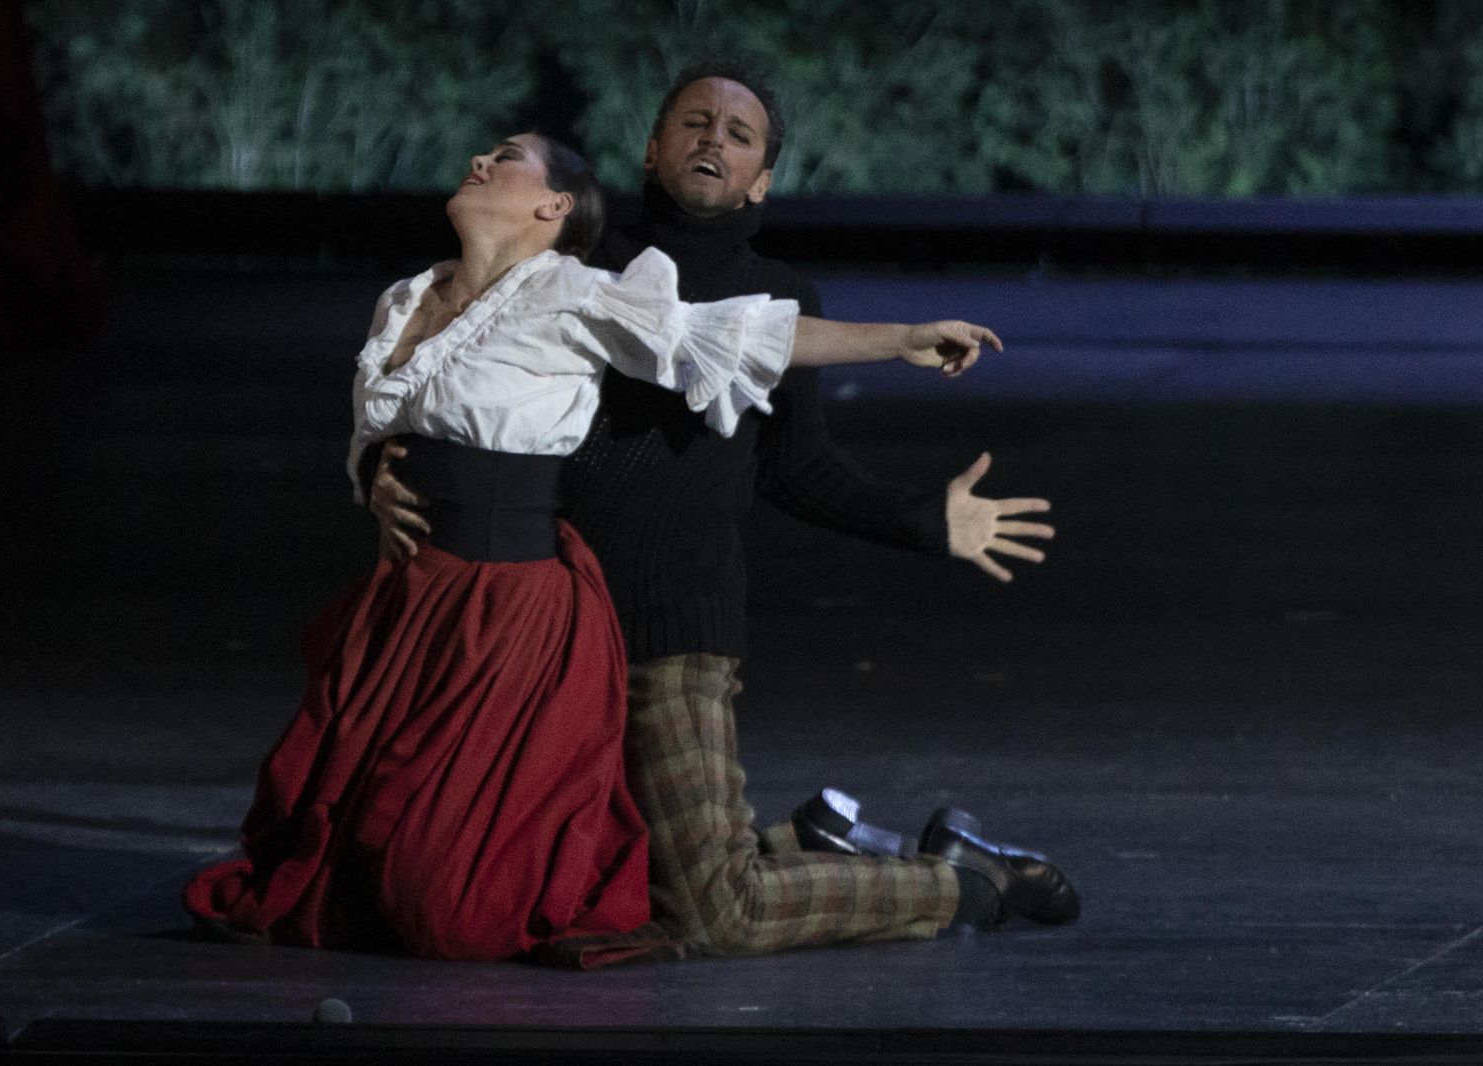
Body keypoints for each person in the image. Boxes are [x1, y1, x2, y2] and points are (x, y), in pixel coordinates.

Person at [185, 131, 1004, 964]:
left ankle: (898, 872)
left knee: (452, 908)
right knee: (344, 867)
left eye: (504, 158)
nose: (478, 162)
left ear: (556, 205)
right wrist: (376, 475)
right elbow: (376, 429)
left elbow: (721, 337)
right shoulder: (404, 299)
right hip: (410, 606)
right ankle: (802, 838)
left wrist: (897, 337)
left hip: (506, 615)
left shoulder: (571, 294)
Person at [366, 66, 1078, 959]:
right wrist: (388, 473)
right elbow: (460, 388)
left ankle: (965, 884)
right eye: (695, 124)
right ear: (653, 149)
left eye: (740, 137)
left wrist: (921, 519)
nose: (714, 141)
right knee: (551, 877)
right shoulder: (571, 264)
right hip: (541, 623)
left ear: (763, 180)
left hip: (671, 625)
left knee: (708, 914)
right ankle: (802, 841)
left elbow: (798, 471)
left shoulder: (777, 295)